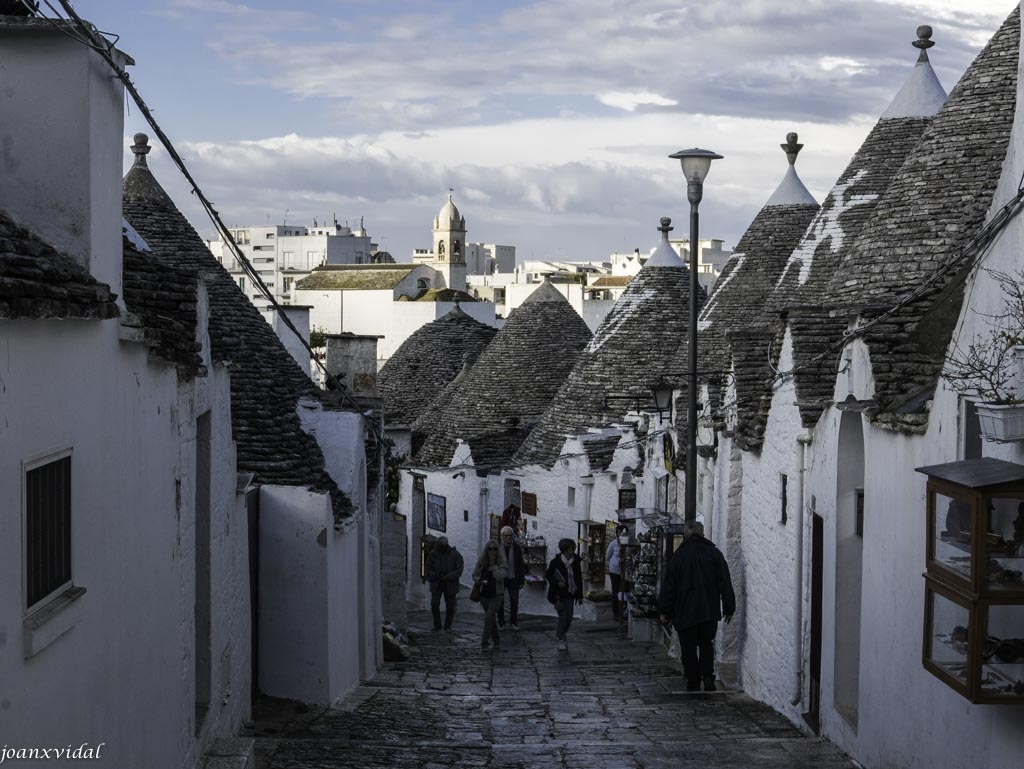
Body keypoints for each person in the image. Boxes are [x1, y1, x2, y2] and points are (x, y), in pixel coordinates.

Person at [657, 521, 735, 692]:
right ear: (702, 533)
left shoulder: (679, 557)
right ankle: (707, 677)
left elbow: (670, 586)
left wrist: (665, 611)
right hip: (708, 610)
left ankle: (693, 680)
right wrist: (729, 607)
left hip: (685, 611)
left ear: (687, 534)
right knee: (707, 644)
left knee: (688, 647)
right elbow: (725, 582)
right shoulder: (714, 554)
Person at [546, 538, 583, 651]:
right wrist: (557, 582)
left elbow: (578, 578)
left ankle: (562, 634)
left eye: (575, 548)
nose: (574, 550)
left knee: (569, 618)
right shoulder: (556, 562)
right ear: (566, 550)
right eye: (572, 548)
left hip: (571, 593)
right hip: (559, 595)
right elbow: (548, 575)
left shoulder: (575, 562)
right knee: (563, 617)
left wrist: (580, 595)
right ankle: (560, 639)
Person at [473, 540, 507, 650]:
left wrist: (494, 567)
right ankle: (496, 638)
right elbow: (475, 575)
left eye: (494, 548)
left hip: (497, 594)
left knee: (489, 615)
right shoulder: (481, 562)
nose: (492, 551)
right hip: (484, 594)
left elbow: (500, 577)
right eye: (490, 548)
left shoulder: (502, 563)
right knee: (490, 617)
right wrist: (479, 580)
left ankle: (484, 640)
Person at [424, 536, 464, 632]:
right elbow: (428, 567)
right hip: (437, 582)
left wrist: (448, 576)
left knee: (450, 605)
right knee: (434, 603)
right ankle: (437, 625)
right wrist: (433, 574)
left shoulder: (455, 554)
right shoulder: (433, 554)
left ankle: (448, 626)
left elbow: (459, 570)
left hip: (450, 583)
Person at [497, 525, 526, 630]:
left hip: (513, 577)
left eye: (510, 535)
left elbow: (520, 564)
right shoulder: (497, 547)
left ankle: (513, 622)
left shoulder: (517, 548)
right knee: (500, 600)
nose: (508, 538)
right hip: (501, 578)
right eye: (506, 535)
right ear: (502, 536)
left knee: (514, 600)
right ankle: (501, 621)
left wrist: (522, 579)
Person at [605, 524, 628, 623]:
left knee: (625, 590)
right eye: (619, 532)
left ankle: (624, 612)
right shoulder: (613, 543)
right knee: (615, 590)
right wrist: (617, 560)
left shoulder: (628, 543)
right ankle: (616, 612)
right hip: (615, 570)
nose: (621, 534)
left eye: (623, 532)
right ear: (617, 533)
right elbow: (608, 557)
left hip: (626, 570)